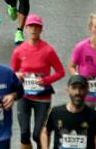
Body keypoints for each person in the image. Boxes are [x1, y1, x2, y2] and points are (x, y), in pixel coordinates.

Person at [12, 15, 66, 148]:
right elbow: (11, 73)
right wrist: (17, 74)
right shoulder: (19, 50)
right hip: (24, 96)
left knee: (38, 134)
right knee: (24, 134)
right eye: (31, 26)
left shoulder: (48, 50)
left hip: (42, 98)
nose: (34, 29)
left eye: (37, 26)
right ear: (26, 28)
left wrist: (45, 81)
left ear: (41, 29)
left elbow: (60, 72)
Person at [41, 75, 96, 148]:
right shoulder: (55, 112)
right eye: (74, 88)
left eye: (82, 88)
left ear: (87, 91)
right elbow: (45, 133)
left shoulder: (95, 116)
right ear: (67, 90)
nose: (77, 92)